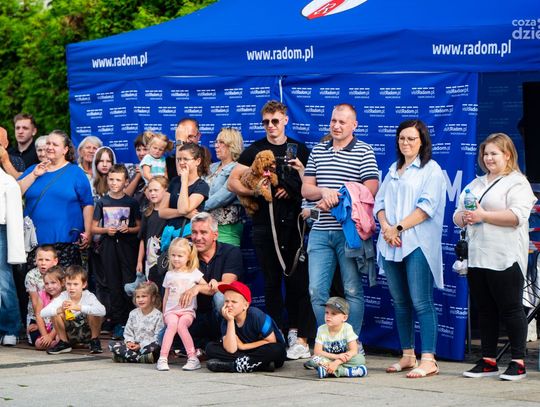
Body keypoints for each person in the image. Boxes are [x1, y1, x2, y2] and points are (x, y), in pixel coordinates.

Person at [228, 100, 312, 357]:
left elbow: (312, 183)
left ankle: (297, 333)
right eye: (266, 122)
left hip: (294, 226)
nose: (271, 126)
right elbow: (232, 183)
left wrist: (293, 190)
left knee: (298, 282)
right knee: (271, 283)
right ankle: (275, 332)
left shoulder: (298, 149)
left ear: (285, 120)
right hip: (265, 226)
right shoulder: (255, 149)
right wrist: (256, 190)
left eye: (275, 121)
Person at [454, 133, 536, 381]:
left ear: (507, 155)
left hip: (505, 256)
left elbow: (517, 217)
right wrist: (464, 217)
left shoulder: (517, 183)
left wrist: (483, 216)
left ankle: (518, 362)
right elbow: (458, 214)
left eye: (494, 153)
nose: (488, 158)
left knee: (511, 308)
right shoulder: (476, 183)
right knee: (486, 309)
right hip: (477, 256)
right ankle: (488, 360)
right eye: (486, 153)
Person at [374, 119, 446, 378]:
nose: (406, 142)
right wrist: (386, 227)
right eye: (402, 138)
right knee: (400, 302)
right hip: (390, 243)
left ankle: (428, 359)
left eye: (412, 139)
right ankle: (407, 355)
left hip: (417, 244)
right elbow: (379, 202)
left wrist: (398, 228)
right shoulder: (394, 168)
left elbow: (426, 208)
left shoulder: (431, 170)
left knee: (421, 301)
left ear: (422, 141)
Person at [301, 103, 379, 340]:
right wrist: (324, 192)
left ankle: (351, 343)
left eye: (342, 122)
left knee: (352, 289)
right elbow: (306, 189)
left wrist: (338, 198)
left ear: (354, 125)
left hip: (349, 232)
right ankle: (329, 341)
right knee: (316, 291)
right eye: (333, 121)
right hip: (320, 232)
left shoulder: (364, 151)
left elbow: (370, 189)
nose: (336, 126)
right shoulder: (318, 150)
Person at [18, 130, 94, 268]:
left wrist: (88, 231)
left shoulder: (75, 172)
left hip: (66, 242)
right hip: (34, 243)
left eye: (55, 144)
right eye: (48, 143)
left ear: (65, 150)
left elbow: (87, 204)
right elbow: (15, 193)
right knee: (35, 281)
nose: (49, 147)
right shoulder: (34, 169)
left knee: (65, 281)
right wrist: (34, 175)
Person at [92, 164, 141, 340]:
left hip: (127, 247)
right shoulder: (102, 202)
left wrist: (129, 229)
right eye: (111, 179)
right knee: (113, 284)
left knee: (128, 283)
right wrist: (106, 230)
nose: (114, 183)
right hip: (108, 247)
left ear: (126, 181)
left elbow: (139, 227)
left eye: (118, 180)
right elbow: (93, 227)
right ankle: (119, 322)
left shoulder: (131, 202)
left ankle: (132, 321)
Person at [183, 212, 243, 348]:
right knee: (162, 338)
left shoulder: (231, 252)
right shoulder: (186, 255)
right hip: (195, 314)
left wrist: (198, 288)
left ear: (215, 235)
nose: (198, 237)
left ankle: (228, 341)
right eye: (194, 232)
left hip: (220, 315)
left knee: (220, 296)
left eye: (203, 232)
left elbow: (226, 285)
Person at [205, 281, 287, 373]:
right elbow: (231, 349)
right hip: (245, 354)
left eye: (234, 302)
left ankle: (233, 366)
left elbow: (271, 341)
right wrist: (230, 321)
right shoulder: (226, 319)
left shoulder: (256, 315)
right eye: (226, 301)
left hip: (262, 349)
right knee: (210, 348)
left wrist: (244, 346)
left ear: (246, 305)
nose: (228, 305)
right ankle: (261, 365)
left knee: (277, 350)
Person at [157, 238, 207, 371]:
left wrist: (197, 288)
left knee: (181, 326)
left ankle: (192, 358)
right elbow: (166, 295)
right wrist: (164, 313)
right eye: (173, 255)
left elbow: (206, 286)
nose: (176, 259)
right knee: (172, 324)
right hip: (171, 311)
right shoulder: (169, 274)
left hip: (187, 311)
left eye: (180, 256)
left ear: (188, 256)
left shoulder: (194, 273)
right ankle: (162, 358)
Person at [41, 265, 105, 354]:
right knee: (55, 313)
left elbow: (102, 311)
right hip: (70, 334)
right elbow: (42, 313)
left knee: (95, 312)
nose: (71, 287)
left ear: (84, 284)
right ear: (64, 283)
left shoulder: (88, 296)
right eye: (69, 284)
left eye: (75, 284)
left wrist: (78, 307)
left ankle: (94, 341)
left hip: (87, 333)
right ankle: (64, 343)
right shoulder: (63, 296)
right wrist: (60, 309)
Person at [304, 297, 368, 379]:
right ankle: (345, 372)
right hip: (328, 358)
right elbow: (317, 351)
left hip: (343, 360)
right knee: (315, 359)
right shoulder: (321, 329)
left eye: (333, 314)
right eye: (326, 312)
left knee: (360, 358)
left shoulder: (347, 328)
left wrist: (336, 362)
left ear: (344, 318)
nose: (328, 316)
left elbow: (353, 350)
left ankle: (327, 370)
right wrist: (336, 357)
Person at [203, 128, 244, 246]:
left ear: (232, 145)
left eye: (221, 142)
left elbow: (221, 198)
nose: (216, 146)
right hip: (206, 226)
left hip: (226, 229)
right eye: (216, 142)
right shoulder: (212, 167)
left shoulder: (238, 168)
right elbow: (198, 189)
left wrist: (195, 208)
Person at [0, 166, 26, 346]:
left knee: (4, 280)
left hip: (1, 229)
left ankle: (10, 328)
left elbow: (15, 217)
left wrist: (17, 251)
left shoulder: (7, 181)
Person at [159, 142, 209, 233]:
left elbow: (183, 209)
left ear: (197, 161)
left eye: (185, 159)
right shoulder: (175, 181)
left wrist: (184, 181)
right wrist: (185, 214)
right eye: (179, 159)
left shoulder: (202, 185)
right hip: (170, 234)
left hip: (188, 235)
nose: (181, 163)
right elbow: (162, 212)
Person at [109, 281, 164, 363]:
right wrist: (129, 342)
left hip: (147, 347)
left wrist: (140, 345)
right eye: (138, 297)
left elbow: (157, 337)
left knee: (156, 346)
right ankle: (140, 358)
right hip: (133, 346)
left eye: (144, 296)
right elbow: (128, 332)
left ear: (153, 298)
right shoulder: (133, 313)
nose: (140, 300)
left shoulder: (158, 315)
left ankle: (127, 357)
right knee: (112, 345)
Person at [135, 176, 168, 283]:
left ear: (165, 190)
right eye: (150, 190)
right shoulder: (147, 213)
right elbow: (142, 239)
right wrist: (139, 261)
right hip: (149, 262)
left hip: (166, 261)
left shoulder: (171, 213)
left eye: (156, 190)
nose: (152, 193)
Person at [25, 245, 59, 347]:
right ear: (35, 260)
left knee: (59, 336)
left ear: (55, 261)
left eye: (47, 260)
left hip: (56, 316)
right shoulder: (31, 276)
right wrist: (40, 324)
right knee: (37, 342)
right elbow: (35, 302)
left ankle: (55, 341)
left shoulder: (60, 275)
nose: (43, 263)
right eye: (40, 259)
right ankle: (51, 343)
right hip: (37, 316)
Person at [29, 266, 65, 350]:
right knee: (38, 344)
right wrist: (45, 335)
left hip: (59, 329)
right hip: (47, 328)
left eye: (53, 283)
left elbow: (62, 321)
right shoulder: (42, 295)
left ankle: (59, 343)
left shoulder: (65, 296)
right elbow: (38, 315)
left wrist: (50, 336)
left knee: (59, 338)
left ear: (62, 283)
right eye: (46, 283)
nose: (49, 286)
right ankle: (54, 344)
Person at [125, 133, 148, 210]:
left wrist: (146, 173)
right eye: (138, 150)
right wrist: (138, 176)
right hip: (134, 213)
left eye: (145, 149)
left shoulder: (158, 169)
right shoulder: (130, 170)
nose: (141, 153)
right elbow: (125, 197)